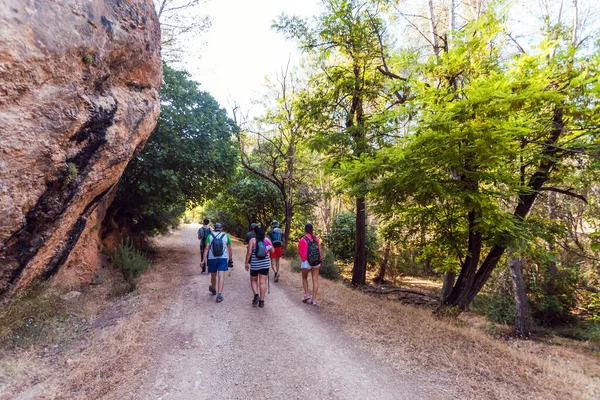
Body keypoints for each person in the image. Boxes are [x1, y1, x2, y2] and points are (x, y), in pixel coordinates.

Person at [201, 223, 233, 303]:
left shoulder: (209, 236)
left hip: (212, 258)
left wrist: (203, 260)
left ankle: (213, 288)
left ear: (214, 228)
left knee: (213, 275)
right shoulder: (226, 236)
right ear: (221, 228)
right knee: (221, 276)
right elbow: (230, 249)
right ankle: (219, 295)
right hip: (223, 258)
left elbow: (206, 248)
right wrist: (230, 259)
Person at [245, 225, 273, 308]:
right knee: (263, 282)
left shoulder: (252, 240)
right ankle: (262, 301)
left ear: (254, 232)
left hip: (255, 264)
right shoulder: (266, 240)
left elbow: (249, 253)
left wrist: (246, 263)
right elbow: (273, 250)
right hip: (265, 264)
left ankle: (256, 295)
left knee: (253, 280)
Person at [298, 223, 321, 306]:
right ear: (312, 229)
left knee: (304, 278)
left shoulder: (303, 239)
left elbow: (301, 252)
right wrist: (319, 260)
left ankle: (307, 294)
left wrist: (304, 259)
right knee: (315, 280)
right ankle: (314, 300)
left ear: (305, 230)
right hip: (316, 261)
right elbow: (319, 250)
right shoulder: (316, 239)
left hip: (306, 261)